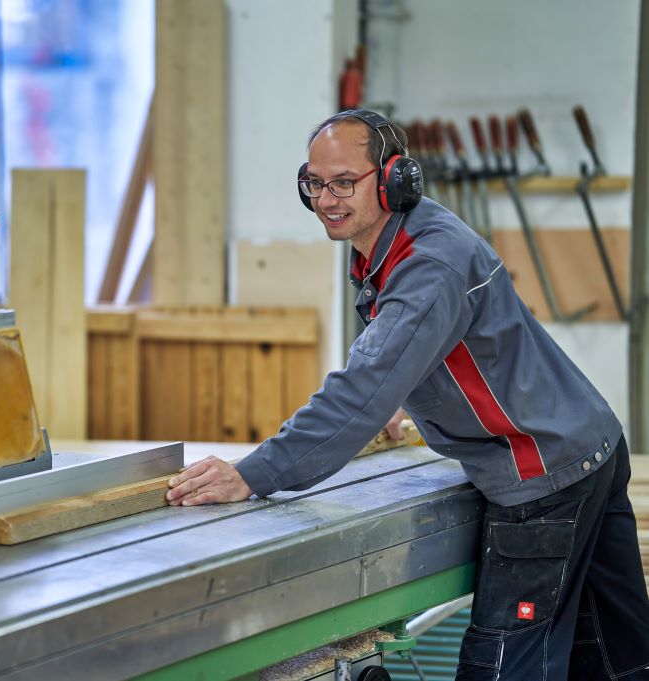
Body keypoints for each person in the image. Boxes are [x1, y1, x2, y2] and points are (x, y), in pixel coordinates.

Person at [165, 109, 649, 680]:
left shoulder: (427, 263)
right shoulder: (401, 240)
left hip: (545, 476)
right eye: (315, 183)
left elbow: (359, 393)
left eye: (345, 182)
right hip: (588, 445)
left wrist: (253, 473)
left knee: (505, 665)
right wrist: (406, 388)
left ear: (395, 179)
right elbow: (437, 345)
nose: (327, 200)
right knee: (616, 661)